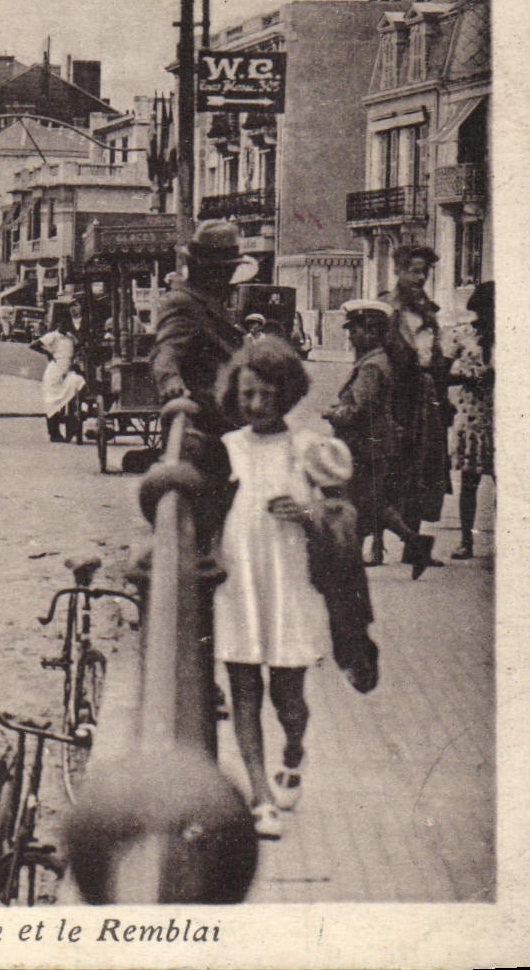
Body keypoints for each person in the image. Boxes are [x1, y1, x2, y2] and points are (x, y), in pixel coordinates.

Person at [211, 337, 346, 839]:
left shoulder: (305, 447)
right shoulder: (228, 447)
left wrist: (307, 511)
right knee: (243, 690)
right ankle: (260, 796)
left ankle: (293, 750)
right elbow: (211, 512)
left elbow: (342, 512)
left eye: (266, 394)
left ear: (285, 393)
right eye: (247, 394)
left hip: (287, 581)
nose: (256, 404)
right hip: (239, 581)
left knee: (288, 698)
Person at [147, 219, 251, 542]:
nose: (230, 277)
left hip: (226, 427)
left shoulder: (209, 302)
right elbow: (166, 352)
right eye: (226, 270)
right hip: (206, 430)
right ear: (207, 270)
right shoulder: (184, 303)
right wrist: (171, 382)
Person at [323, 300, 433, 577]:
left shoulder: (372, 366)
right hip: (371, 443)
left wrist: (333, 413)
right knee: (370, 501)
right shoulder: (374, 361)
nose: (351, 336)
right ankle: (415, 543)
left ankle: (353, 557)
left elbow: (361, 409)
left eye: (355, 330)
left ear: (372, 332)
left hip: (364, 444)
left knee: (360, 499)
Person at [380, 245, 452, 567]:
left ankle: (413, 547)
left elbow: (433, 356)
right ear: (398, 271)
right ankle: (375, 545)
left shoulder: (429, 312)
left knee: (423, 470)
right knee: (387, 467)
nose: (420, 278)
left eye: (424, 272)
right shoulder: (386, 309)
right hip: (396, 395)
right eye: (414, 271)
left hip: (425, 398)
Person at [445, 281, 494, 560]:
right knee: (469, 482)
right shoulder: (463, 334)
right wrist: (467, 377)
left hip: (503, 418)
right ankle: (466, 540)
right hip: (473, 418)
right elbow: (442, 373)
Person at [30, 309, 88, 443]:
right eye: (62, 323)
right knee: (52, 401)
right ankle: (54, 433)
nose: (65, 325)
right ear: (57, 324)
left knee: (79, 382)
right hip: (54, 371)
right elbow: (34, 345)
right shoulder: (53, 336)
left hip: (68, 371)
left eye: (67, 323)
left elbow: (78, 346)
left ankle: (80, 413)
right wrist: (49, 354)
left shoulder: (70, 337)